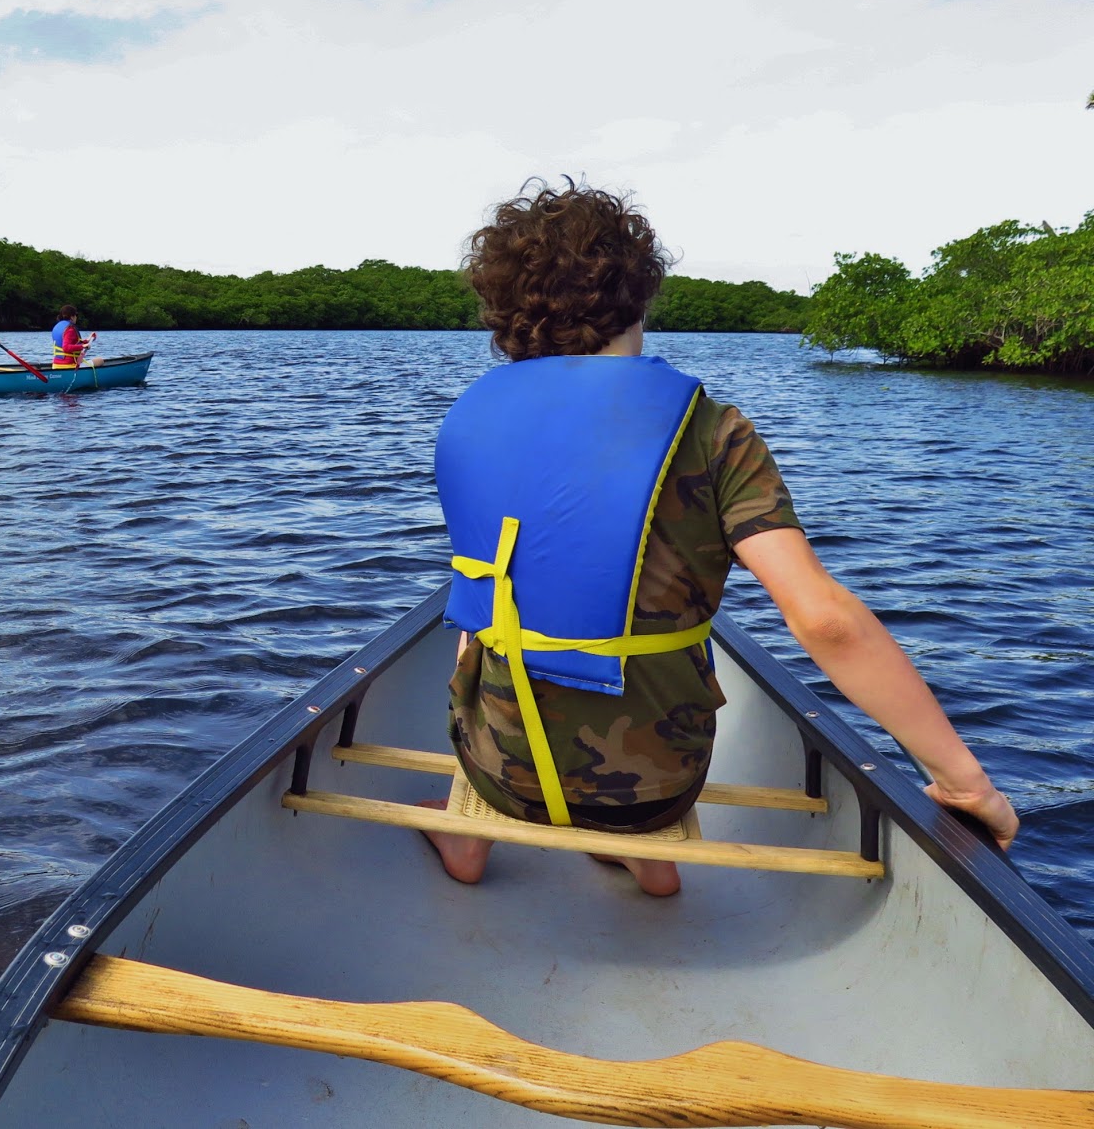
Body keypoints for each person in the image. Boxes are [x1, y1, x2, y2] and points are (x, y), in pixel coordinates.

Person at [424, 176, 1018, 897]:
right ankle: (646, 854)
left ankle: (468, 841)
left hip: (504, 773)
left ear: (506, 309)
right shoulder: (713, 431)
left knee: (484, 646)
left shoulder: (472, 421)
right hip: (657, 787)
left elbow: (478, 606)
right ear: (640, 293)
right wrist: (967, 784)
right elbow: (825, 622)